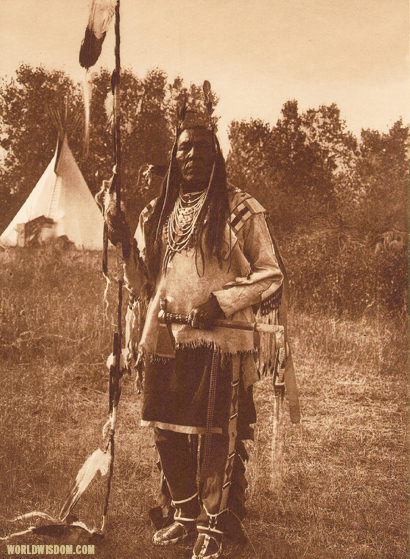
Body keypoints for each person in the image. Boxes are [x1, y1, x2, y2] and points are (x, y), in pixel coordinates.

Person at [105, 94, 283, 559]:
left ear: (216, 153)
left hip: (220, 342)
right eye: (183, 148)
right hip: (167, 337)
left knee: (214, 436)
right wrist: (125, 244)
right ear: (174, 155)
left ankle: (214, 526)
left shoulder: (241, 209)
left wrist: (221, 303)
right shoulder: (157, 213)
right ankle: (184, 515)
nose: (192, 156)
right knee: (164, 429)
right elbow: (146, 285)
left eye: (201, 147)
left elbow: (270, 273)